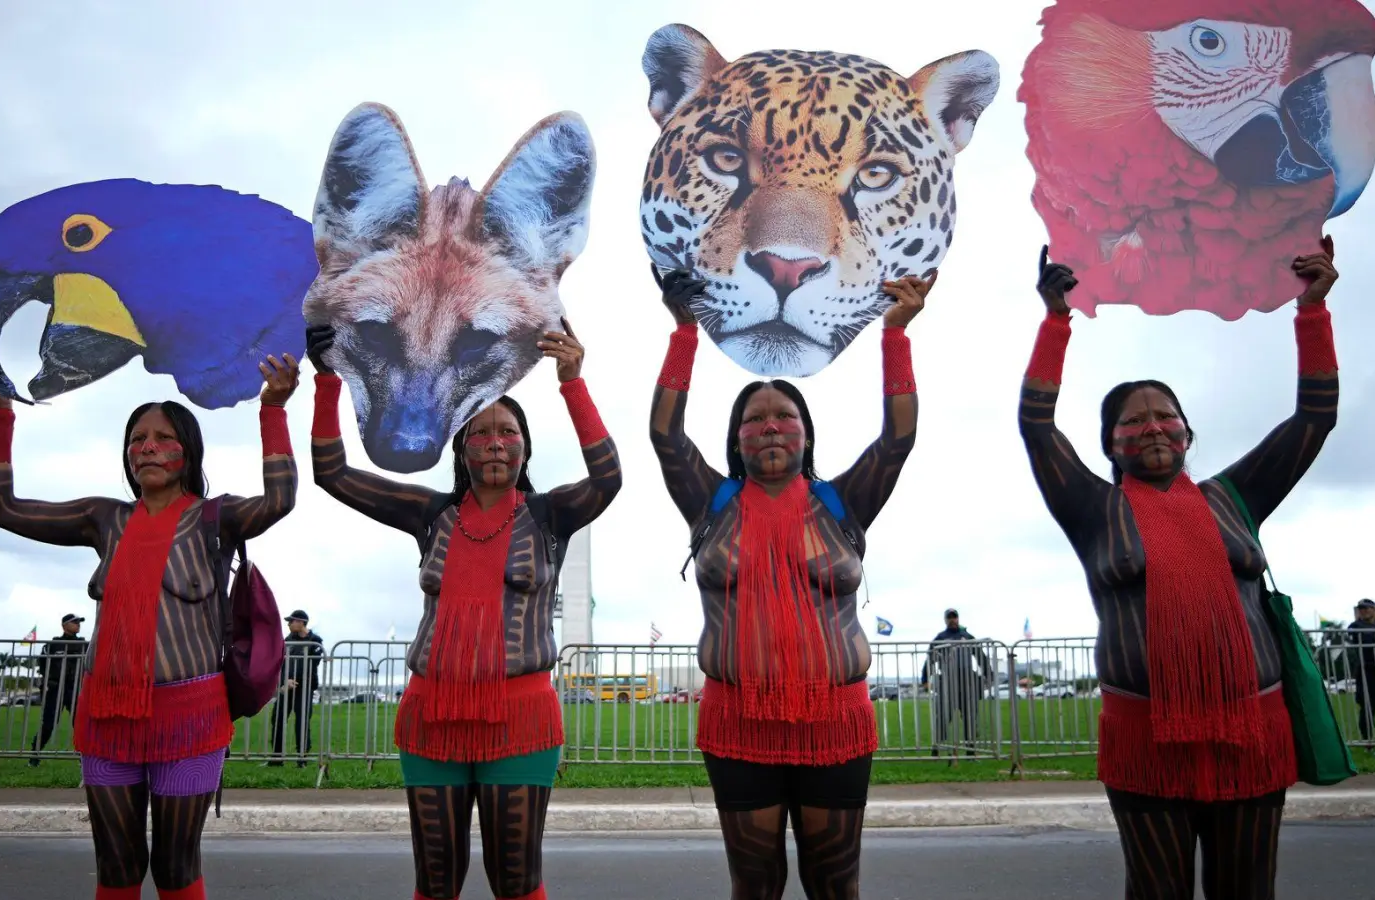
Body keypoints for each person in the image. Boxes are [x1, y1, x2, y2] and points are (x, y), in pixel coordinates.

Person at [1019, 238, 1339, 899]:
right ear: (1111, 444)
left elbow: (1316, 417)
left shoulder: (1235, 496)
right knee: (1157, 891)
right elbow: (1036, 427)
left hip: (1253, 734)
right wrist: (1056, 321)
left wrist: (1312, 311)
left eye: (1166, 416)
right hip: (1145, 743)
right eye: (1133, 423)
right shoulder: (1092, 509)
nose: (1153, 428)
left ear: (1189, 433)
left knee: (1247, 891)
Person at [308, 317, 620, 900]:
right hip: (430, 721)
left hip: (521, 723)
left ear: (525, 446)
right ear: (461, 449)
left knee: (516, 882)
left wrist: (572, 383)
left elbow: (608, 478)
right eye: (479, 433)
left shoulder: (550, 517)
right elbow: (332, 475)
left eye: (508, 432)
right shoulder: (430, 515)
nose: (496, 442)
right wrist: (329, 381)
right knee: (435, 881)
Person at [0, 354, 300, 900]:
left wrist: (273, 411)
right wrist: (0, 415)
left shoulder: (217, 517)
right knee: (117, 866)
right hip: (105, 719)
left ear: (188, 451)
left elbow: (280, 500)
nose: (148, 447)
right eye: (137, 438)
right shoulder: (105, 519)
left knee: (175, 866)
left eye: (163, 438)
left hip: (190, 722)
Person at [649, 264, 934, 900]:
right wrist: (684, 333)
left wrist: (896, 336)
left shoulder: (843, 503)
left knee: (835, 883)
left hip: (836, 724)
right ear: (737, 439)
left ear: (807, 435)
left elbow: (899, 437)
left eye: (785, 417)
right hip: (737, 725)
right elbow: (665, 436)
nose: (771, 426)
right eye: (755, 419)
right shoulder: (712, 504)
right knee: (754, 884)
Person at [920, 609, 992, 757]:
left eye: (955, 617)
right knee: (943, 716)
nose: (953, 620)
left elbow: (980, 656)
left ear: (958, 618)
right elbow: (930, 659)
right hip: (947, 682)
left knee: (970, 716)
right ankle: (937, 748)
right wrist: (925, 679)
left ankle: (970, 750)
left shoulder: (967, 636)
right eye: (950, 618)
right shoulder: (940, 638)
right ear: (945, 620)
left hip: (967, 683)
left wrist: (988, 675)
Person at [30, 614, 88, 766]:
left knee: (80, 723)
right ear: (64, 625)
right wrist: (48, 683)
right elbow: (43, 665)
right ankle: (34, 756)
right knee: (48, 723)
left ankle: (84, 758)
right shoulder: (53, 644)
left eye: (78, 622)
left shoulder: (85, 645)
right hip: (55, 688)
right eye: (74, 622)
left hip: (76, 689)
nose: (78, 625)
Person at [269, 610, 323, 767]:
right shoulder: (287, 641)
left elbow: (312, 664)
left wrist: (296, 679)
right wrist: (285, 681)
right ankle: (276, 758)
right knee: (277, 718)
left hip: (305, 687)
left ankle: (302, 758)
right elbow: (282, 664)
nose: (289, 624)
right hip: (287, 686)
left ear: (301, 622)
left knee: (302, 721)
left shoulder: (315, 641)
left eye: (291, 621)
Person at [1347, 600, 1375, 742]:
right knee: (1368, 705)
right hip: (1367, 670)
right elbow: (1358, 638)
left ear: (1373, 609)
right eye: (1361, 609)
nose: (1363, 611)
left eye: (1366, 608)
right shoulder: (1355, 626)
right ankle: (1368, 740)